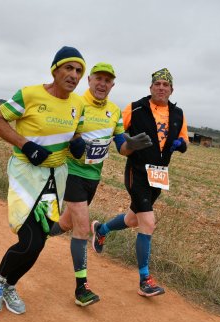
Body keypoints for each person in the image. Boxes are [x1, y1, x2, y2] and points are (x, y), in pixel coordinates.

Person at [0, 46, 88, 315]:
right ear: (55, 69)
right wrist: (25, 144)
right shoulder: (29, 94)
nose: (74, 75)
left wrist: (78, 145)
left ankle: (10, 284)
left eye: (79, 71)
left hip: (56, 177)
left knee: (39, 240)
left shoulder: (78, 104)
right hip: (26, 173)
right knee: (29, 239)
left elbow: (75, 133)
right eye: (68, 68)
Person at [48, 62, 152, 307]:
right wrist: (72, 142)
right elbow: (58, 133)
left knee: (65, 223)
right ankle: (81, 288)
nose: (102, 84)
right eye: (99, 79)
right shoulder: (75, 103)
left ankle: (40, 231)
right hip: (70, 173)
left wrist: (132, 145)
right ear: (89, 80)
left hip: (93, 178)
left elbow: (122, 148)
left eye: (108, 81)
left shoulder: (114, 112)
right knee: (82, 228)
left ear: (112, 85)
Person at [91, 68, 189, 297]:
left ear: (171, 89)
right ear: (151, 88)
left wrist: (181, 145)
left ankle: (101, 229)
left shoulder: (179, 114)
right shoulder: (134, 108)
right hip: (137, 172)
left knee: (133, 218)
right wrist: (127, 141)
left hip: (159, 175)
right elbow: (117, 131)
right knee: (148, 222)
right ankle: (145, 279)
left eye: (166, 85)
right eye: (158, 84)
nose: (161, 88)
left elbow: (184, 139)